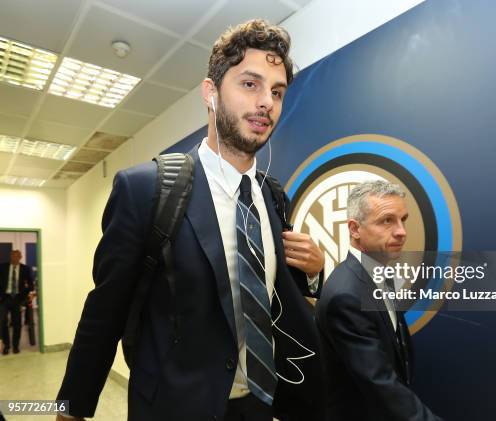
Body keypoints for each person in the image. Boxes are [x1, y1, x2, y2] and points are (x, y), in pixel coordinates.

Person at [56, 19, 325, 421]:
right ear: (211, 93)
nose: (267, 102)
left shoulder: (272, 196)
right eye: (250, 84)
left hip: (261, 406)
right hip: (176, 407)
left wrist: (315, 273)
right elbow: (103, 314)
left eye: (277, 91)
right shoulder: (146, 190)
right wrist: (68, 411)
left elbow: (274, 298)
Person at [315, 181, 443, 421]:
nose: (401, 231)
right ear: (354, 229)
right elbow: (379, 383)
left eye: (402, 219)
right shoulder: (347, 295)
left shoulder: (378, 272)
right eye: (387, 220)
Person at [0, 249, 33, 355]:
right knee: (3, 322)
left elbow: (31, 284)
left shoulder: (25, 269)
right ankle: (6, 345)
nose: (14, 258)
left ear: (20, 257)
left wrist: (23, 293)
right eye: (13, 256)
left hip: (17, 299)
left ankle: (15, 346)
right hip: (4, 299)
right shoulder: (2, 267)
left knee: (17, 323)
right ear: (10, 257)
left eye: (17, 256)